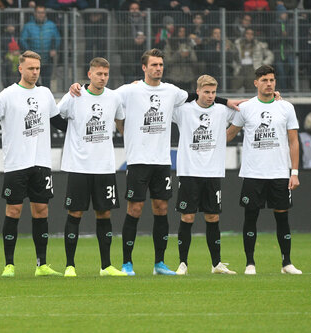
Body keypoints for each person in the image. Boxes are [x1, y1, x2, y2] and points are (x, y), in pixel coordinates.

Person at [68, 49, 239, 276]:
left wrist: (226, 101)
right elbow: (101, 93)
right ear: (144, 67)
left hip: (162, 161)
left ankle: (159, 263)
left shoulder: (171, 91)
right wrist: (77, 86)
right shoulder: (130, 90)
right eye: (154, 65)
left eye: (161, 64)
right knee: (135, 209)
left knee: (161, 209)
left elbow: (198, 96)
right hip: (138, 161)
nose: (158, 68)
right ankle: (127, 263)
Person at [0, 50, 67, 278]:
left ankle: (41, 264)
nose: (34, 72)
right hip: (16, 164)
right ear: (20, 69)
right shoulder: (7, 95)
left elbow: (58, 122)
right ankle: (9, 265)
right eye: (30, 68)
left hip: (41, 162)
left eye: (38, 69)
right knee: (13, 211)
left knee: (41, 211)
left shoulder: (45, 94)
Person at [226, 65, 303, 275]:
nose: (269, 84)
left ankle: (286, 263)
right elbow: (230, 133)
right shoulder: (247, 108)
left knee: (282, 218)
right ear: (256, 83)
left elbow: (294, 141)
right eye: (264, 80)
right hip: (253, 174)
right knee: (250, 218)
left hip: (279, 173)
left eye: (271, 80)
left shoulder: (286, 107)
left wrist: (294, 172)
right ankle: (250, 263)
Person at [56, 57, 127, 277]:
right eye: (99, 74)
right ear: (89, 74)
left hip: (104, 167)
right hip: (79, 166)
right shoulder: (74, 95)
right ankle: (70, 266)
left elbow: (121, 122)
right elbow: (56, 117)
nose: (103, 78)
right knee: (74, 213)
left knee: (104, 214)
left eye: (106, 74)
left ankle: (106, 266)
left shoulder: (114, 98)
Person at [172, 75, 237, 275]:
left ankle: (216, 264)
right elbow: (166, 102)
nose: (210, 96)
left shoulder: (222, 111)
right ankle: (183, 263)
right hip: (189, 172)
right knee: (188, 216)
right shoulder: (184, 110)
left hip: (212, 172)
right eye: (206, 92)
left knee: (212, 216)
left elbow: (244, 116)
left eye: (213, 92)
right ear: (198, 91)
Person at [19, 6, 60, 88]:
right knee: (32, 83)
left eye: (43, 12)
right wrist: (29, 52)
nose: (41, 15)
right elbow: (22, 40)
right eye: (39, 12)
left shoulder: (51, 25)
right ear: (35, 14)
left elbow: (57, 38)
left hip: (47, 58)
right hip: (33, 60)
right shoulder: (28, 26)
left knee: (46, 82)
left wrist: (54, 49)